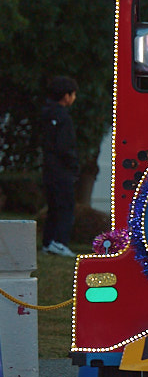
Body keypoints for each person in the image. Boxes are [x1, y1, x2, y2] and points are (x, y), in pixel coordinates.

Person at [40, 76, 79, 257]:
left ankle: (48, 242)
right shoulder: (64, 118)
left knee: (53, 207)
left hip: (49, 167)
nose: (74, 98)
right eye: (72, 94)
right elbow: (65, 146)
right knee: (65, 206)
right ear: (66, 96)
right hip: (62, 170)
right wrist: (73, 165)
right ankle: (60, 242)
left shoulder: (45, 113)